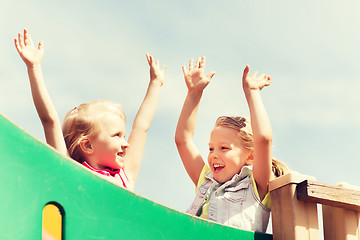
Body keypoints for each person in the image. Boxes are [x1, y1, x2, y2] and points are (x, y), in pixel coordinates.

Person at [15, 29, 166, 191]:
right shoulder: (72, 171)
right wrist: (34, 68)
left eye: (123, 135)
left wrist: (156, 84)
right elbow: (49, 120)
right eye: (117, 135)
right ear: (87, 145)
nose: (127, 144)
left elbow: (141, 127)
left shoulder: (125, 176)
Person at [175, 56, 287, 232]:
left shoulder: (257, 185)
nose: (213, 154)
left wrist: (252, 93)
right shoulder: (206, 179)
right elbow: (183, 140)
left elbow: (263, 140)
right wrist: (194, 93)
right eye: (211, 148)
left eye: (224, 148)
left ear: (250, 155)